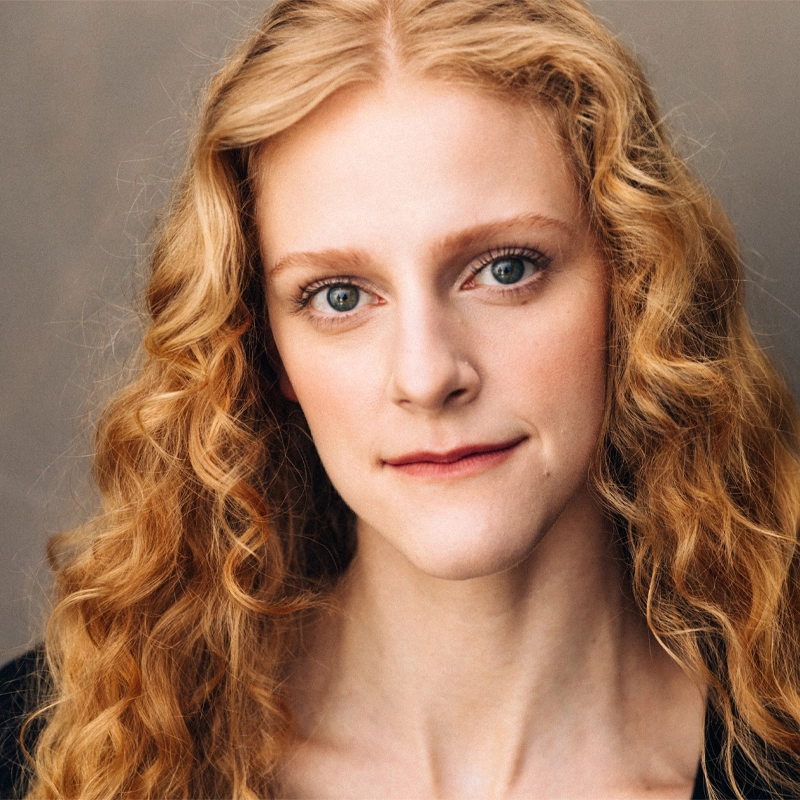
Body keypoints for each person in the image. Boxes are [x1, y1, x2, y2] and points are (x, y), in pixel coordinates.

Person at [3, 0, 800, 797]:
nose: (426, 376)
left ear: (634, 286)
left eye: (506, 268)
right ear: (264, 346)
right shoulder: (47, 757)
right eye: (340, 296)